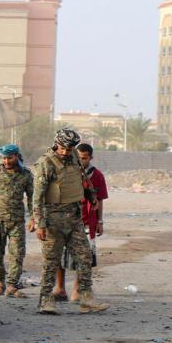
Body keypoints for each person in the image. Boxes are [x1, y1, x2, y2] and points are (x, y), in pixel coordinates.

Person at [33, 129, 110, 314]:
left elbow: (81, 179)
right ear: (56, 144)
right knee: (51, 261)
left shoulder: (75, 158)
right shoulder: (46, 163)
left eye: (69, 149)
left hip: (75, 218)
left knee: (85, 257)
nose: (66, 152)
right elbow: (38, 196)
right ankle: (46, 300)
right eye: (63, 148)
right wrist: (39, 223)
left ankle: (86, 298)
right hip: (53, 219)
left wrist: (91, 196)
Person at [0, 144, 35, 297]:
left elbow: (32, 199)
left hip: (16, 221)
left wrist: (34, 218)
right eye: (4, 158)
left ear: (16, 156)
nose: (7, 161)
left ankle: (11, 285)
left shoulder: (26, 175)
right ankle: (0, 283)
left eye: (9, 158)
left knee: (17, 254)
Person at [53, 143, 109, 301]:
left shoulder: (97, 176)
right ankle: (60, 288)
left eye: (84, 158)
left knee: (84, 258)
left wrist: (100, 221)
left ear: (90, 157)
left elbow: (99, 200)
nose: (81, 161)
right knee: (59, 254)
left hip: (86, 222)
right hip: (65, 220)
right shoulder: (66, 172)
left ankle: (77, 290)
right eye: (78, 157)